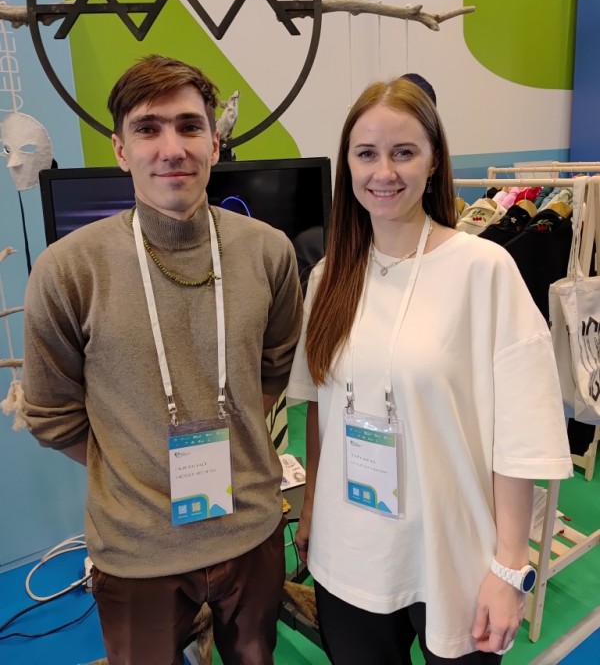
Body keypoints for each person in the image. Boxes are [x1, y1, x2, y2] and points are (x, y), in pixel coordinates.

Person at [21, 55, 303, 665]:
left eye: (189, 126)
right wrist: (136, 469)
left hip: (251, 531)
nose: (171, 148)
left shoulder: (269, 253)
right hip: (137, 551)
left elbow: (274, 369)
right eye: (148, 129)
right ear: (120, 149)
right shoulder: (69, 270)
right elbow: (51, 415)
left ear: (214, 143)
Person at [286, 76, 572, 664]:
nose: (383, 172)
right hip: (350, 550)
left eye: (403, 152)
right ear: (347, 163)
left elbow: (521, 437)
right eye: (366, 154)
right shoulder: (329, 277)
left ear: (434, 159)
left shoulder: (484, 270)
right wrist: (311, 507)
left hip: (454, 553)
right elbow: (319, 408)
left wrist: (510, 566)